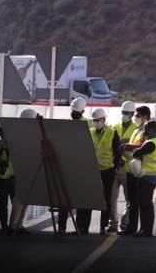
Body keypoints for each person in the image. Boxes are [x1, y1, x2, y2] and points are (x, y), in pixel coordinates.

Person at [76, 108, 121, 235]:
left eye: (97, 120)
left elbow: (117, 153)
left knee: (105, 199)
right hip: (92, 171)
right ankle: (84, 227)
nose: (96, 122)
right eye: (94, 120)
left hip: (107, 171)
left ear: (104, 120)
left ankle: (103, 227)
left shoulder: (112, 133)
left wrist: (115, 168)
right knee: (88, 198)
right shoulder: (90, 132)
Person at [58, 98, 91, 234]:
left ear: (83, 111)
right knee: (64, 200)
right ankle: (62, 227)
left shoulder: (88, 124)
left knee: (81, 200)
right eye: (73, 111)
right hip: (67, 166)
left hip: (81, 167)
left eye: (77, 112)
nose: (74, 114)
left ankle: (81, 228)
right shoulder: (65, 123)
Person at [119, 105, 151, 235]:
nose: (135, 117)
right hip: (130, 169)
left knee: (140, 202)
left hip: (139, 171)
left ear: (145, 117)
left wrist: (126, 146)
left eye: (137, 115)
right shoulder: (137, 130)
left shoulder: (147, 131)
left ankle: (143, 228)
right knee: (132, 202)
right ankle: (131, 227)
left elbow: (142, 146)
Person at [109, 100, 137, 233]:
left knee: (129, 200)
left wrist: (123, 145)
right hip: (115, 167)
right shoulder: (115, 126)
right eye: (123, 112)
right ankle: (113, 224)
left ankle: (125, 223)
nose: (124, 115)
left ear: (132, 114)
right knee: (111, 198)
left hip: (127, 169)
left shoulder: (136, 129)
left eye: (126, 113)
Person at [131, 119, 156, 237]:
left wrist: (138, 146)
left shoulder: (150, 143)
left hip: (148, 176)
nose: (143, 131)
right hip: (150, 175)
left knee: (145, 204)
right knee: (145, 203)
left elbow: (135, 153)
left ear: (149, 129)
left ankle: (146, 230)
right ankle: (144, 229)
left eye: (145, 128)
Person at [0, 121, 16, 234]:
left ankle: (14, 225)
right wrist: (4, 140)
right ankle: (4, 227)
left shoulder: (14, 144)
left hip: (13, 178)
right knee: (3, 204)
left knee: (16, 203)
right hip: (2, 179)